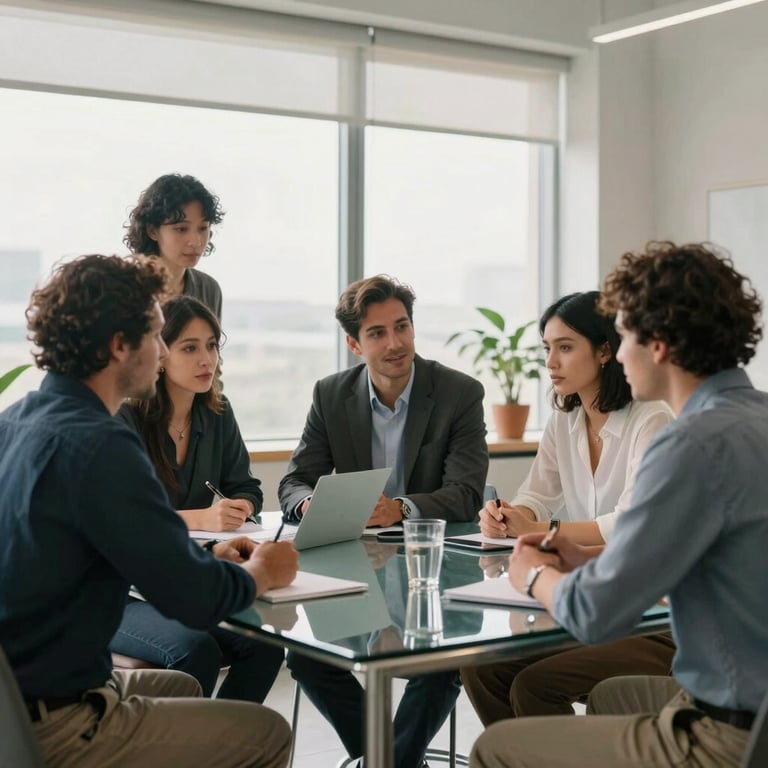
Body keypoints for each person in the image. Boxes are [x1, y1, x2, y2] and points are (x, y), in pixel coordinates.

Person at [471, 241, 768, 768]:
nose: (619, 350)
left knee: (496, 749)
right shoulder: (755, 419)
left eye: (624, 335)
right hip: (745, 703)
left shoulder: (689, 443)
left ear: (657, 344)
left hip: (729, 734)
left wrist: (533, 574)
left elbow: (594, 616)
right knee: (605, 697)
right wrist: (586, 559)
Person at [0, 253, 298, 768]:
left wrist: (210, 559)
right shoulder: (103, 443)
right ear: (120, 346)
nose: (162, 354)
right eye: (158, 337)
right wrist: (260, 573)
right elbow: (197, 602)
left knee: (181, 686)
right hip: (59, 718)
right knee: (268, 732)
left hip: (21, 693)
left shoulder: (15, 422)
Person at [278, 274, 489, 768]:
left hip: (433, 574)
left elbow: (465, 495)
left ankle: (387, 762)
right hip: (357, 574)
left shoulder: (459, 393)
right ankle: (391, 761)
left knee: (439, 669)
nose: (395, 343)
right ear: (354, 343)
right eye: (377, 333)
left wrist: (401, 508)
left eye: (403, 327)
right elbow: (293, 483)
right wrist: (312, 504)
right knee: (304, 657)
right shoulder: (331, 395)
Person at [462, 291, 675, 722]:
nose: (550, 362)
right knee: (481, 666)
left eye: (564, 347)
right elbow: (537, 494)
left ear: (603, 351)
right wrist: (509, 516)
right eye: (547, 348)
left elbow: (630, 525)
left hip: (657, 616)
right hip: (596, 597)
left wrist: (543, 530)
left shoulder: (651, 418)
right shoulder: (566, 418)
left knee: (533, 686)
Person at [109, 295, 285, 702]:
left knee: (266, 642)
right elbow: (126, 519)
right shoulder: (125, 419)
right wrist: (201, 518)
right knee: (196, 651)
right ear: (159, 353)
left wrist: (242, 506)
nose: (206, 358)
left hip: (191, 576)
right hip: (121, 591)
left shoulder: (218, 414)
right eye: (190, 347)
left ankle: (228, 747)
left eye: (211, 345)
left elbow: (247, 487)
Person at [124, 173, 224, 318]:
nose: (196, 242)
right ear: (152, 230)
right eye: (181, 229)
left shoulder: (208, 289)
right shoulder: (126, 288)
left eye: (203, 228)